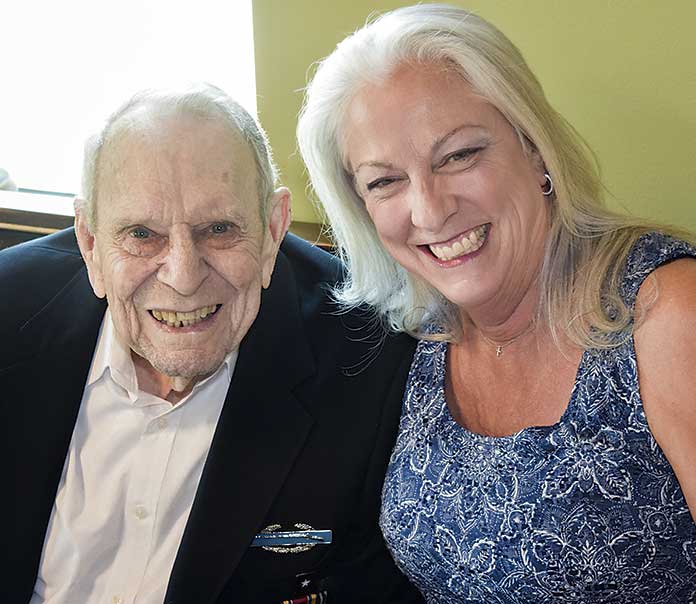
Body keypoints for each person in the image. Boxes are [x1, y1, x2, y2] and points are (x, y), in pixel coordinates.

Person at [297, 4, 696, 602]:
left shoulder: (664, 310)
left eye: (457, 156)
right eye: (385, 182)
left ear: (534, 148)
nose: (429, 210)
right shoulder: (415, 334)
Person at [0, 84, 423, 604]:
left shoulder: (369, 361)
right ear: (89, 242)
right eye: (141, 234)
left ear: (273, 228)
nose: (182, 275)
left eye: (219, 229)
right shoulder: (9, 314)